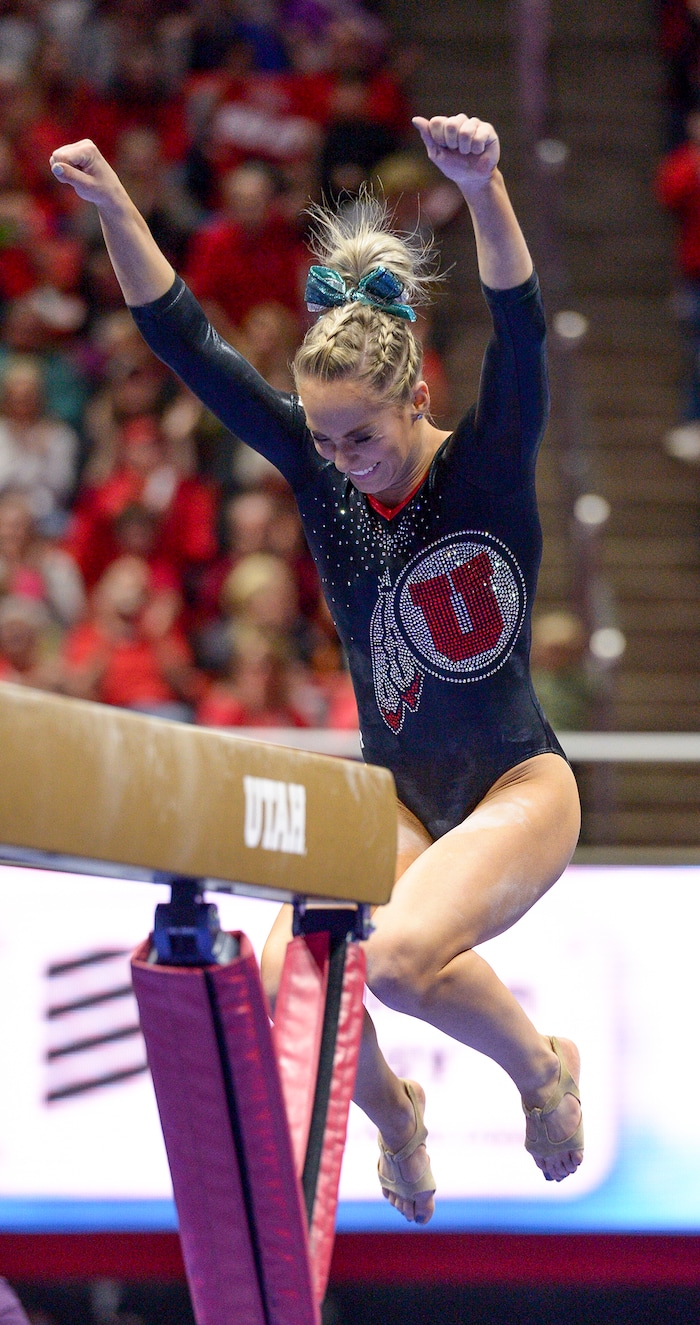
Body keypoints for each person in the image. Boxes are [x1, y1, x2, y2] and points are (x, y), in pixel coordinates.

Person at [49, 112, 584, 1225]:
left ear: (416, 398)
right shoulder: (317, 462)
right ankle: (390, 1112)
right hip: (393, 792)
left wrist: (485, 189)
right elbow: (187, 342)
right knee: (314, 962)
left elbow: (521, 331)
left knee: (393, 962)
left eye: (362, 438)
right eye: (326, 441)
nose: (342, 462)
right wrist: (117, 211)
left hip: (514, 783)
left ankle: (540, 1069)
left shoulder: (487, 464)